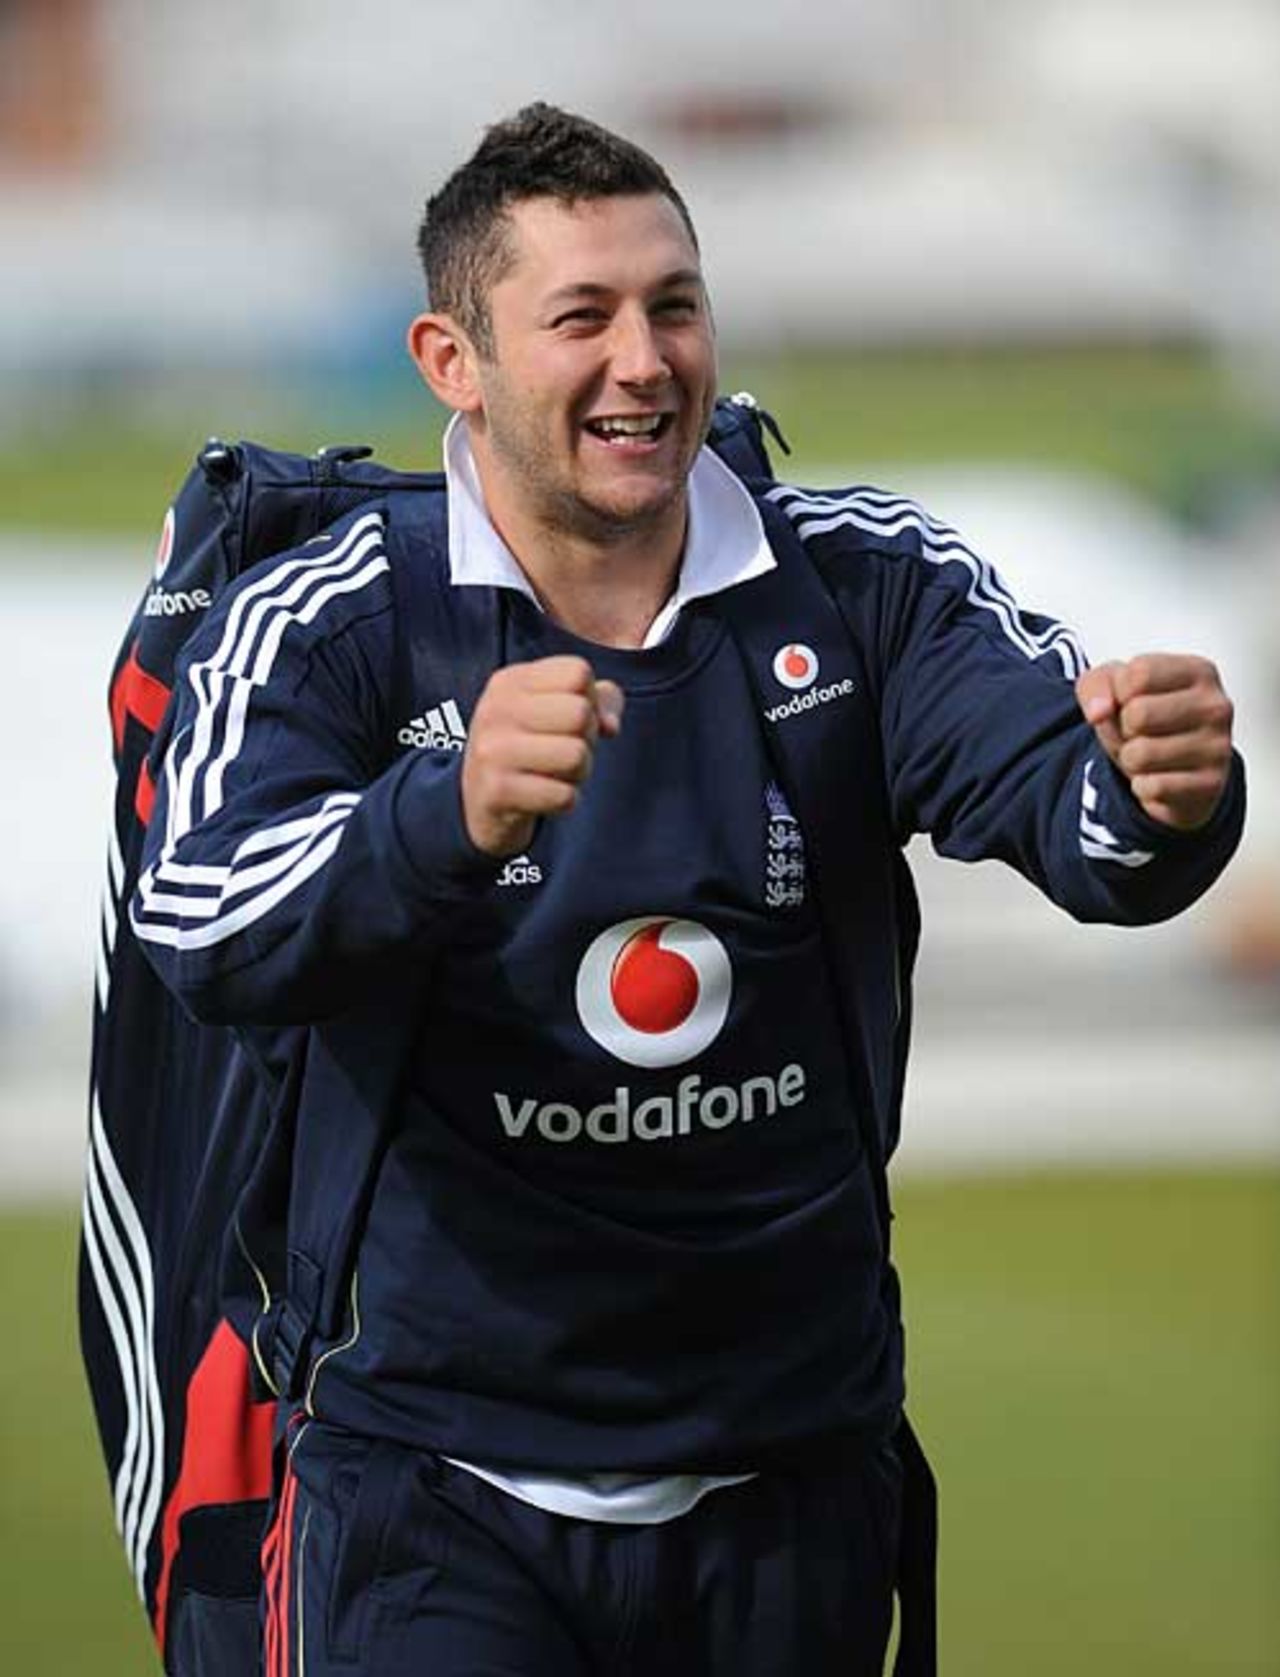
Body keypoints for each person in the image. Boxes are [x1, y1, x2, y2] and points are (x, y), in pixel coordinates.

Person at [130, 103, 1244, 1676]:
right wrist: (433, 817)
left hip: (790, 1485)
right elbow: (199, 919)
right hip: (437, 1493)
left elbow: (1081, 820)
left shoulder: (862, 581)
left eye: (674, 303)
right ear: (453, 360)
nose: (644, 358)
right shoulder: (327, 617)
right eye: (580, 316)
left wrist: (1162, 794)